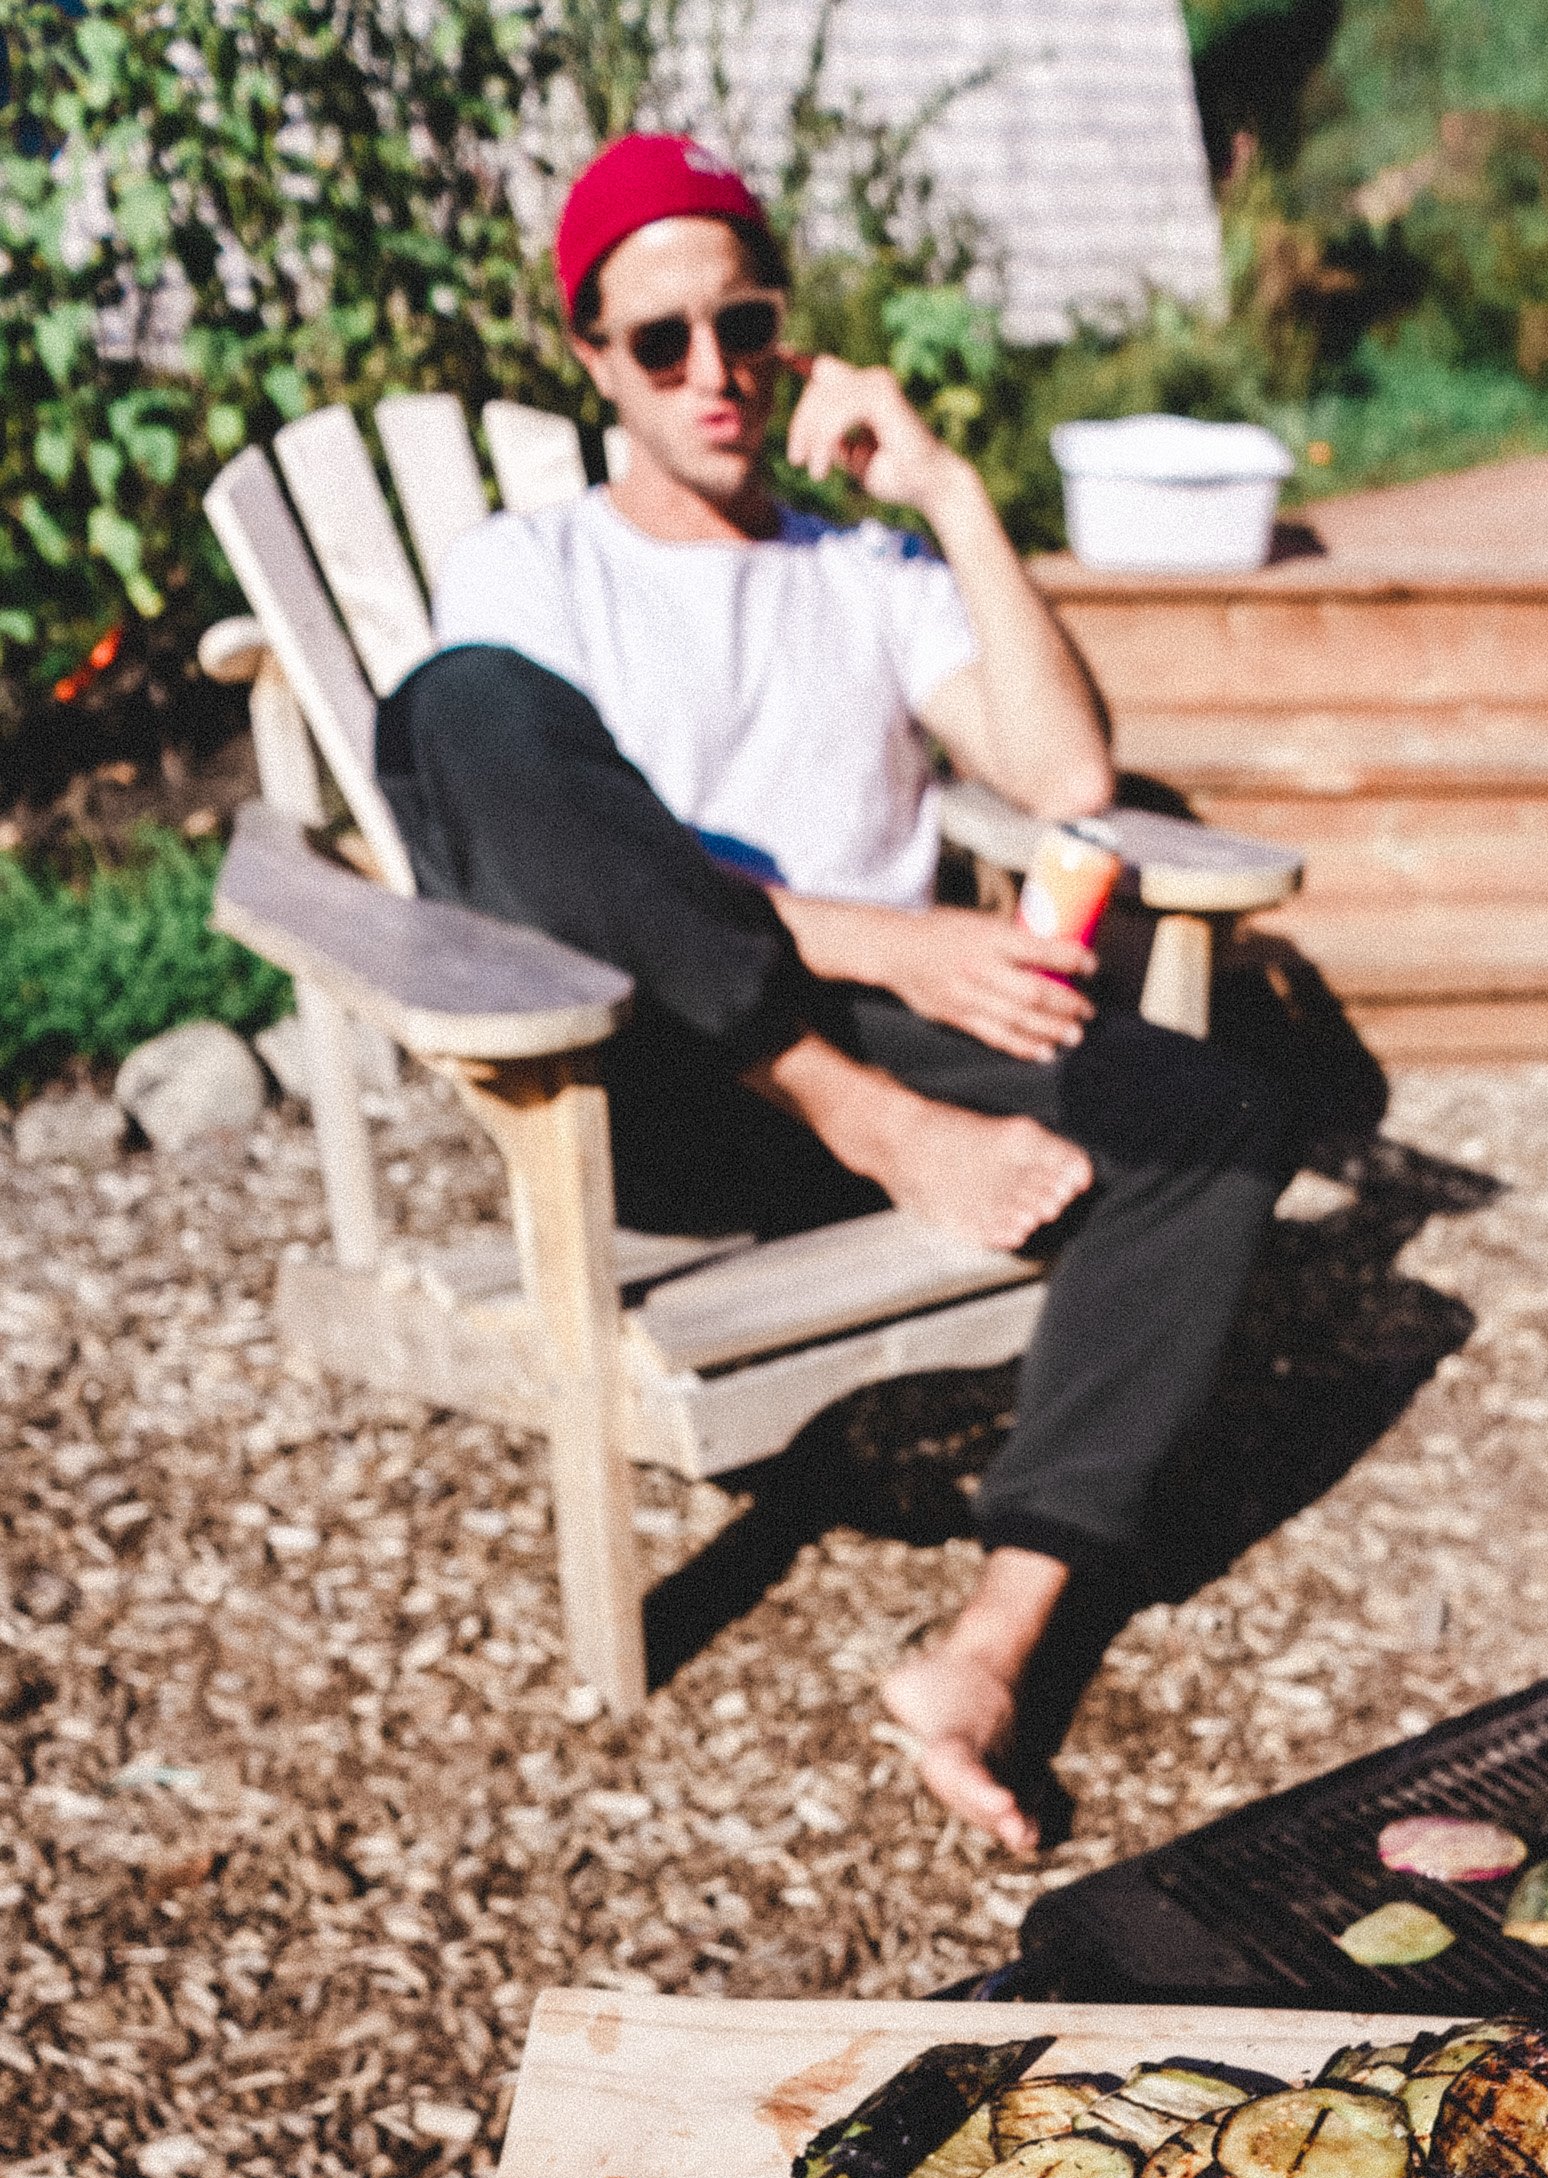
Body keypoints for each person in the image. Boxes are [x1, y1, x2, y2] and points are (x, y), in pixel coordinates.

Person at [377, 132, 1290, 1852]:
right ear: (589, 357)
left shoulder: (858, 574)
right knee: (467, 710)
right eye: (661, 341)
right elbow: (538, 844)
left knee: (1219, 1113)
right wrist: (886, 949)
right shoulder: (534, 572)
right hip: (648, 1073)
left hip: (895, 1058)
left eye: (747, 327)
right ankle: (859, 1113)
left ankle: (990, 1653)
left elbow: (1068, 766)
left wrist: (942, 488)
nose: (713, 374)